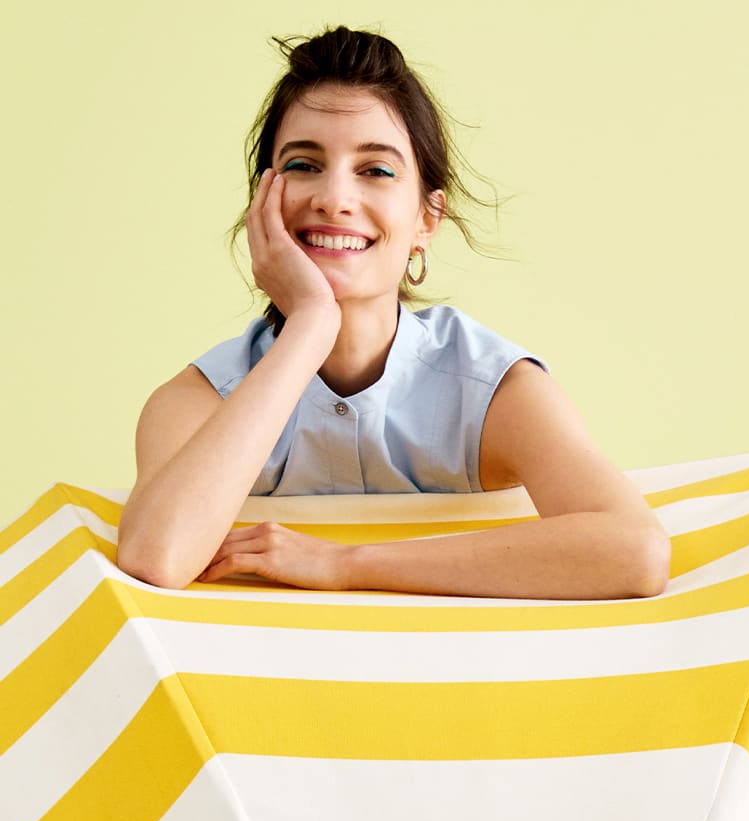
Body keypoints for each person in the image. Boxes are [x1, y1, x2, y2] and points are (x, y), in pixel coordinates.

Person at [116, 26, 670, 599]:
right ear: (264, 199)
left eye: (375, 170)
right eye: (303, 164)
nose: (333, 198)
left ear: (427, 220)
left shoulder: (491, 389)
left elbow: (634, 552)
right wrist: (309, 326)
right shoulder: (198, 400)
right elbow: (155, 558)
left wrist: (345, 564)